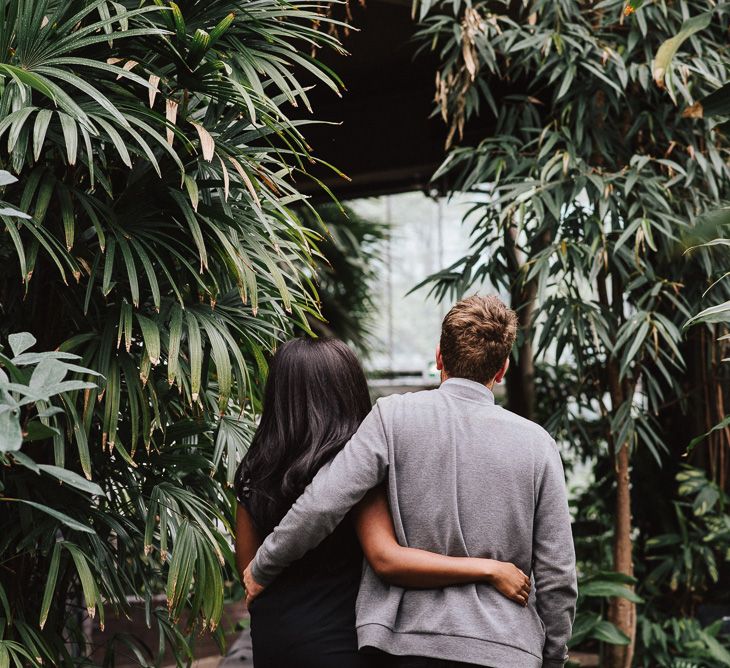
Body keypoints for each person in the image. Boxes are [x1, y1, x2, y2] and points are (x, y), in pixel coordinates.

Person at [245, 295, 578, 668]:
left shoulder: (392, 418)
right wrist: (552, 658)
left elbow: (323, 501)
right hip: (507, 650)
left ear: (439, 358)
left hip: (409, 647)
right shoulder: (538, 445)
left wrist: (263, 566)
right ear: (501, 370)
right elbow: (558, 575)